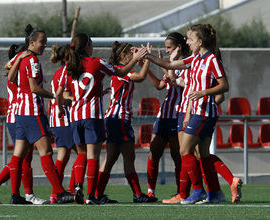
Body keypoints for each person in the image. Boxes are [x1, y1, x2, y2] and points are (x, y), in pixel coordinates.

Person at [144, 24, 242, 204]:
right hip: (196, 112)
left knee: (184, 150)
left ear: (200, 41)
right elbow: (170, 64)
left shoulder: (212, 59)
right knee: (202, 153)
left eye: (190, 39)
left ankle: (198, 191)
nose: (187, 42)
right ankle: (215, 193)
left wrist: (204, 93)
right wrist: (147, 56)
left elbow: (224, 86)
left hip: (204, 112)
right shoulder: (195, 60)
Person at [56, 33, 147, 205]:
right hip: (92, 115)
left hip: (75, 116)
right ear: (87, 47)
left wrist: (61, 109)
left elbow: (59, 92)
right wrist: (135, 59)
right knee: (93, 156)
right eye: (91, 44)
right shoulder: (96, 62)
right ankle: (91, 196)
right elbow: (121, 71)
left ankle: (77, 187)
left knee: (81, 154)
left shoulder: (68, 66)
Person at [8, 24, 75, 204]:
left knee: (18, 155)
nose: (45, 45)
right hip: (32, 111)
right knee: (46, 151)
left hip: (19, 112)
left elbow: (9, 77)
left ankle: (14, 195)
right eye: (42, 42)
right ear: (32, 42)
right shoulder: (32, 61)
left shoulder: (22, 59)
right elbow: (35, 88)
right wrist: (56, 96)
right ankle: (60, 192)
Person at [94, 41, 157, 204]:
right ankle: (137, 194)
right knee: (129, 157)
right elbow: (141, 77)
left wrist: (141, 60)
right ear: (123, 56)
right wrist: (147, 58)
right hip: (119, 119)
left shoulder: (120, 70)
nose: (134, 54)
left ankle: (97, 195)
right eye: (131, 52)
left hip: (114, 119)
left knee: (110, 158)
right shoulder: (121, 71)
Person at [0, 43, 46, 205]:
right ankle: (22, 193)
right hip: (18, 116)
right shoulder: (18, 76)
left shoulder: (16, 75)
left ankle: (5, 188)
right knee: (22, 157)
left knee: (24, 156)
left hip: (17, 116)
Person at [145, 32, 190, 201]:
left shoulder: (186, 65)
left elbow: (173, 79)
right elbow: (159, 85)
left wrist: (166, 64)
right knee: (153, 152)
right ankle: (151, 191)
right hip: (163, 115)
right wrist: (148, 67)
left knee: (177, 155)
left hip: (177, 115)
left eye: (169, 48)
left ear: (178, 47)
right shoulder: (173, 65)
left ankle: (181, 191)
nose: (166, 50)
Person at [45, 44, 77, 204]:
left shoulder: (59, 72)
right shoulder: (65, 72)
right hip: (64, 119)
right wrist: (87, 97)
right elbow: (63, 97)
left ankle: (55, 194)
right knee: (83, 154)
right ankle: (70, 191)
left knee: (63, 157)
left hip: (58, 121)